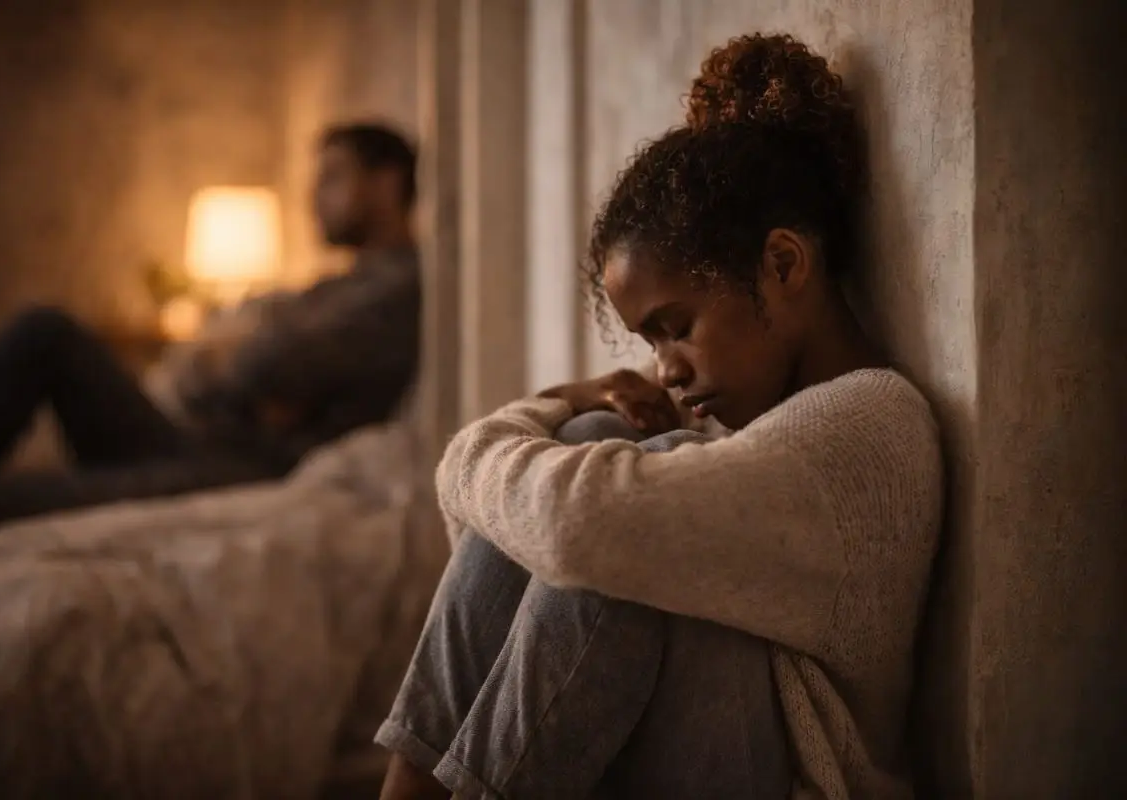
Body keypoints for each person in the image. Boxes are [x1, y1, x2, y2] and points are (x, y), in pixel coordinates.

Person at [374, 34, 943, 800]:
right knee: (591, 447)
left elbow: (579, 526)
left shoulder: (869, 422)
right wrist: (569, 405)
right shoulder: (747, 423)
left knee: (614, 530)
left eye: (678, 327)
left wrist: (486, 447)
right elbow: (508, 528)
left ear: (782, 266)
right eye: (650, 342)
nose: (665, 368)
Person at [0, 122, 421, 557]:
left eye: (333, 177)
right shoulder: (335, 286)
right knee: (45, 331)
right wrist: (231, 359)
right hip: (194, 436)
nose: (313, 196)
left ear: (386, 183)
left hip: (244, 466)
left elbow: (262, 366)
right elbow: (225, 357)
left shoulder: (396, 287)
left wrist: (239, 354)